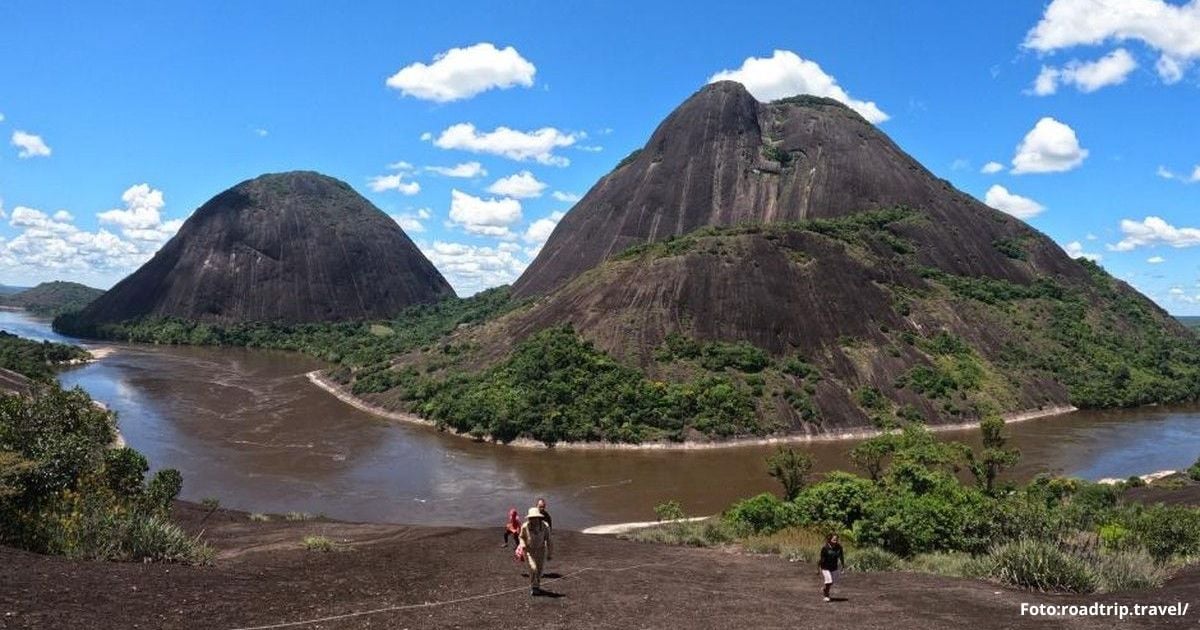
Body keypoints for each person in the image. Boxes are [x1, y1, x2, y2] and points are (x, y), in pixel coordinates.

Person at [517, 506, 553, 595]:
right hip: (529, 550)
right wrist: (523, 544)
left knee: (540, 571)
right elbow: (521, 537)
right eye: (532, 518)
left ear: (539, 517)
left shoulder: (545, 526)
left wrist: (550, 553)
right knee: (533, 568)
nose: (534, 520)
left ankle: (537, 585)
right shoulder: (525, 526)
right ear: (529, 518)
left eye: (535, 518)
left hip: (541, 550)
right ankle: (534, 587)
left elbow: (549, 540)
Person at [819, 533, 845, 602]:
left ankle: (825, 589)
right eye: (834, 540)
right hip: (825, 567)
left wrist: (842, 566)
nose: (835, 541)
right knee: (829, 581)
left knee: (832, 582)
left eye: (836, 540)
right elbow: (821, 559)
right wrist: (818, 569)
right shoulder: (825, 548)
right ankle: (826, 595)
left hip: (834, 567)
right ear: (829, 540)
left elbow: (841, 557)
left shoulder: (839, 547)